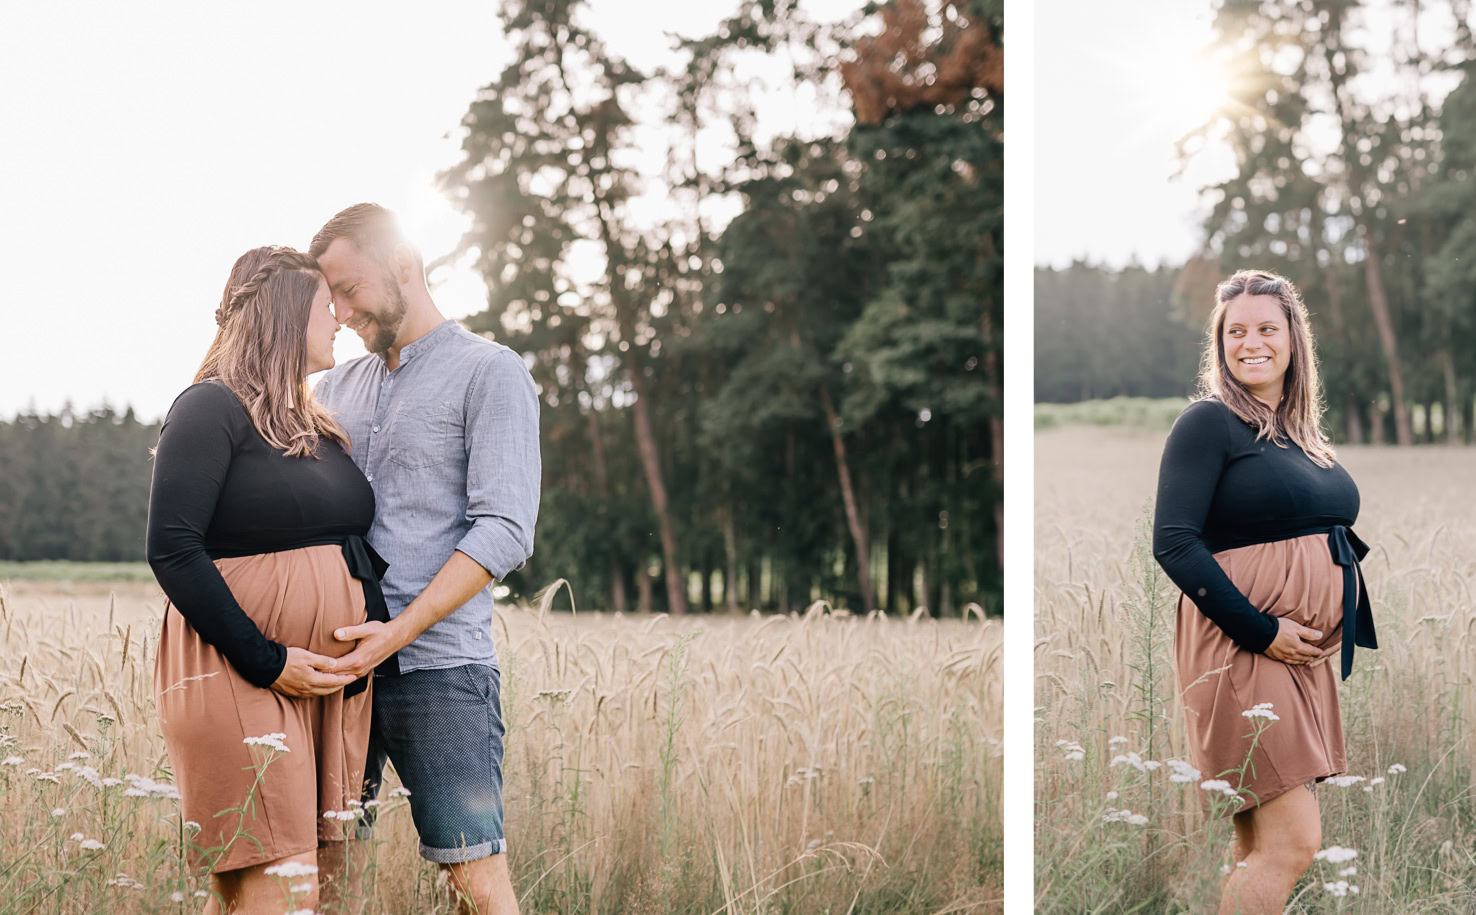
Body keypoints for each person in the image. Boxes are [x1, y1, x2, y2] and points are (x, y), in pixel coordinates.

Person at [307, 203, 540, 914]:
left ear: (403, 264)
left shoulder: (489, 373)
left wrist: (396, 633)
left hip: (440, 668)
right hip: (337, 669)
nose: (341, 313)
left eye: (349, 290)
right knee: (325, 871)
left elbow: (504, 529)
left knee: (473, 877)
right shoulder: (332, 391)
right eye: (331, 298)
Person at [148, 246, 392, 914]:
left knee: (301, 888)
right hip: (242, 671)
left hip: (328, 688)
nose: (339, 317)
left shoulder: (316, 424)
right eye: (324, 305)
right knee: (286, 889)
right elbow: (171, 547)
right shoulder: (208, 407)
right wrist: (270, 659)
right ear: (287, 315)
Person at [1152, 269, 1377, 915]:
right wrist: (1263, 629)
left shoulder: (1298, 432)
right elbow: (1174, 541)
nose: (1251, 342)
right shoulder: (1209, 423)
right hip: (1244, 644)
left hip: (1297, 656)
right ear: (1219, 342)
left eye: (1266, 328)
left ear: (1293, 338)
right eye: (1235, 330)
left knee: (1257, 841)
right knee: (1295, 839)